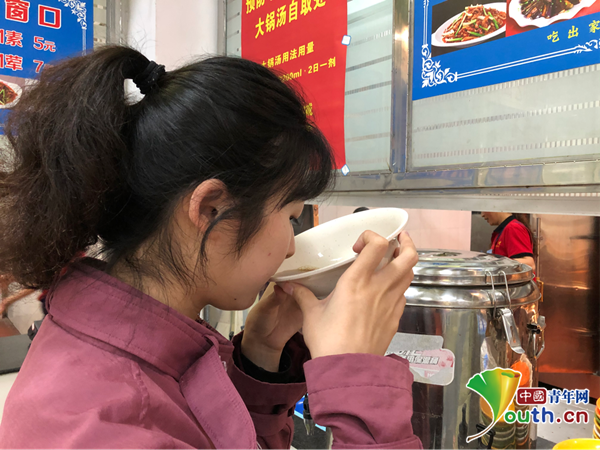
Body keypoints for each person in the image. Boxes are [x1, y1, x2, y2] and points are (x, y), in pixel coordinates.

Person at [0, 46, 422, 450]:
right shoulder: (112, 429)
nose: (290, 248)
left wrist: (261, 357)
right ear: (211, 209)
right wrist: (359, 383)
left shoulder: (129, 354)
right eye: (290, 217)